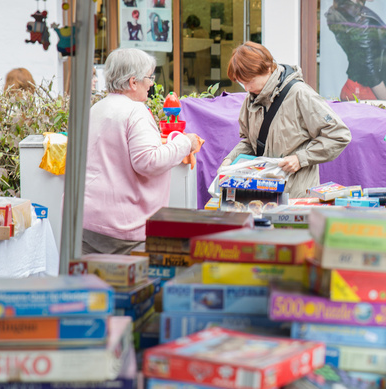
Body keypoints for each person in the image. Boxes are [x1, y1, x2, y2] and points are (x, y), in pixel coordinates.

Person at [82, 48, 202, 254]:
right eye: (149, 77)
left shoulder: (96, 108)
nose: (152, 83)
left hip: (86, 219)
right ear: (133, 82)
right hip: (121, 226)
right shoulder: (134, 111)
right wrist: (184, 143)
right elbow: (148, 161)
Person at [220, 42, 351, 199]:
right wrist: (230, 160)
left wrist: (300, 159)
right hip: (264, 195)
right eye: (242, 82)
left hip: (296, 197)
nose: (247, 88)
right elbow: (249, 142)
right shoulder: (251, 100)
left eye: (251, 80)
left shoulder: (299, 94)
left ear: (268, 68)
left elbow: (339, 135)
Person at [324, 0, 386, 101]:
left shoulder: (341, 10)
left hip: (353, 87)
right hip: (364, 92)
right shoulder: (361, 19)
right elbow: (369, 69)